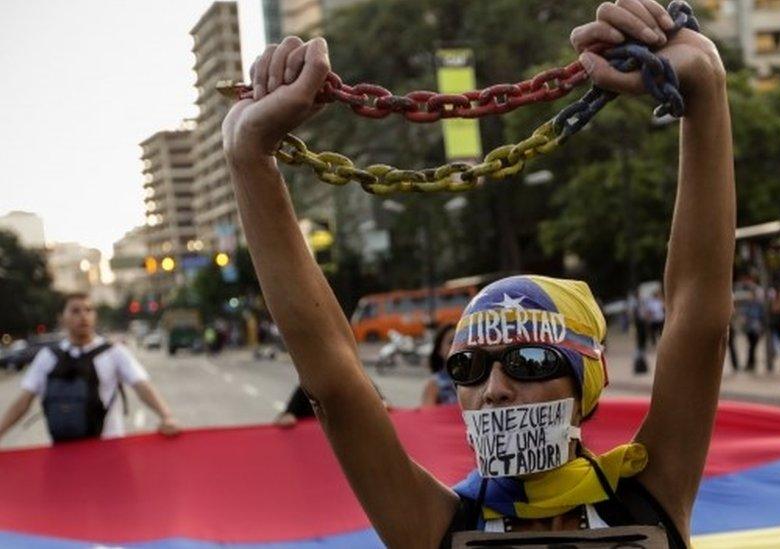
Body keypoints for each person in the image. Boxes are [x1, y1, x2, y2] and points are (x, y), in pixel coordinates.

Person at [220, 0, 733, 544]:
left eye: (528, 362)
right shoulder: (437, 525)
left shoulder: (650, 493)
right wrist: (249, 155)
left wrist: (705, 89)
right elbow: (336, 386)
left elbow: (698, 321)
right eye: (466, 368)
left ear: (589, 378)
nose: (494, 391)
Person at [0, 293, 180, 445]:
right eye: (75, 311)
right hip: (63, 454)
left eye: (88, 310)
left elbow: (142, 386)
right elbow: (22, 403)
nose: (83, 316)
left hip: (109, 447)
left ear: (95, 316)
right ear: (61, 318)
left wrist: (166, 416)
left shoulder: (114, 352)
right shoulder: (47, 357)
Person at [421, 325, 460, 407]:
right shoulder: (434, 384)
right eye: (451, 342)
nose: (458, 346)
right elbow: (427, 416)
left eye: (461, 340)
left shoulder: (476, 380)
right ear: (439, 350)